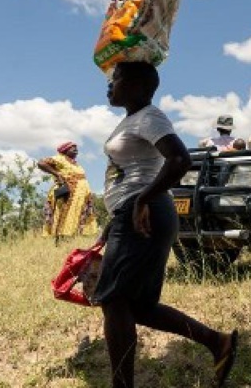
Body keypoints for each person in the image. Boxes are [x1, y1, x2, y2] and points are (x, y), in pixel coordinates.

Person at [94, 61, 237, 387]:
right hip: (133, 212)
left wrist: (142, 199)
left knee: (114, 301)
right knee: (140, 307)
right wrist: (115, 216)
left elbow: (179, 159)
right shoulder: (131, 121)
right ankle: (218, 343)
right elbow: (131, 173)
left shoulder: (150, 116)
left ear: (138, 86)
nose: (109, 85)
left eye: (116, 79)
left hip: (145, 212)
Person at [37, 141, 99, 241]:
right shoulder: (59, 158)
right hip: (68, 193)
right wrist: (57, 174)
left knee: (78, 216)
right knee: (63, 214)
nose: (76, 150)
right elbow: (41, 163)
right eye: (72, 148)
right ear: (65, 150)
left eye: (77, 148)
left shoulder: (76, 165)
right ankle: (60, 239)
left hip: (81, 196)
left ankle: (72, 239)